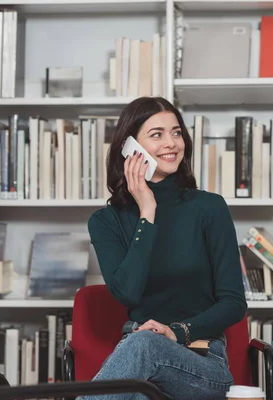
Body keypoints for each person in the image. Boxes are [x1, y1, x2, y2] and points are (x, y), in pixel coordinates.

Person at [81, 97, 247, 400]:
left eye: (176, 132)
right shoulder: (106, 221)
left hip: (202, 364)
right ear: (129, 147)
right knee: (140, 392)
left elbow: (234, 302)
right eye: (156, 134)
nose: (171, 143)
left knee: (144, 344)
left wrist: (177, 332)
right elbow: (127, 292)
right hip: (141, 371)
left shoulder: (208, 208)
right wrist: (147, 211)